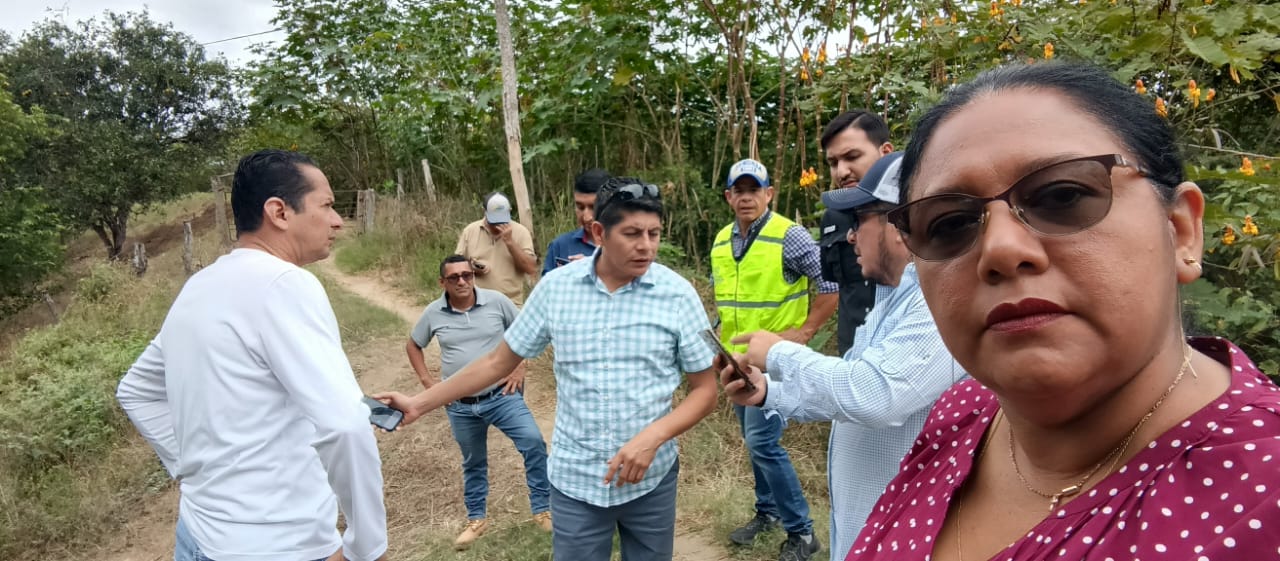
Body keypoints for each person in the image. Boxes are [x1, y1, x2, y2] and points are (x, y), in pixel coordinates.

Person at [846, 62, 1280, 560]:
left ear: (1181, 231)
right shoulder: (963, 414)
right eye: (948, 224)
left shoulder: (1264, 496)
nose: (1001, 249)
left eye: (1063, 195)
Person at [377, 177, 719, 561]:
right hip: (576, 482)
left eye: (654, 233)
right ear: (599, 233)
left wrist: (654, 437)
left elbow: (705, 390)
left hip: (651, 481)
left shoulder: (677, 295)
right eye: (632, 233)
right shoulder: (557, 290)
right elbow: (496, 362)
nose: (646, 246)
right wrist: (419, 403)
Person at [116, 150, 388, 561]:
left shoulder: (200, 286)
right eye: (327, 205)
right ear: (279, 212)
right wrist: (367, 548)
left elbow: (137, 390)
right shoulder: (283, 283)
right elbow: (346, 426)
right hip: (279, 545)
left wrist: (191, 470)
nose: (337, 220)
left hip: (197, 535)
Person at [723, 152, 960, 561]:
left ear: (902, 225)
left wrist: (779, 352)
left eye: (859, 221)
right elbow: (848, 385)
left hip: (901, 540)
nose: (849, 237)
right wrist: (769, 392)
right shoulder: (889, 302)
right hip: (867, 530)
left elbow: (874, 394)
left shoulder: (936, 305)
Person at [712, 158, 837, 561]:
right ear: (729, 196)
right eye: (739, 190)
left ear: (769, 194)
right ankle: (767, 513)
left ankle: (802, 533)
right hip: (736, 360)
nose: (747, 197)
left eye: (755, 190)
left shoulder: (790, 235)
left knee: (763, 442)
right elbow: (728, 299)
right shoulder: (721, 241)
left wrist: (804, 332)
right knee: (754, 443)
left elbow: (830, 285)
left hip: (774, 361)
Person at [405, 255, 551, 550]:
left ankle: (542, 510)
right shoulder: (433, 313)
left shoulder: (497, 302)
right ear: (442, 282)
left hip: (501, 396)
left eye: (467, 275)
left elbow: (525, 332)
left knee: (533, 443)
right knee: (473, 461)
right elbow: (413, 345)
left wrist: (520, 367)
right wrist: (429, 384)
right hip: (459, 405)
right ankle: (477, 520)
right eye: (454, 277)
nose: (462, 281)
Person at [819, 111, 893, 355]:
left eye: (852, 157)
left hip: (903, 353)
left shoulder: (916, 212)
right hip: (851, 352)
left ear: (885, 152)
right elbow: (838, 286)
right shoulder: (832, 219)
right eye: (833, 163)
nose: (841, 172)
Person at [456, 192, 538, 305]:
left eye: (502, 219)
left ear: (509, 211)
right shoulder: (470, 231)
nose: (498, 225)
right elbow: (456, 267)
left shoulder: (521, 232)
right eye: (494, 219)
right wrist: (473, 268)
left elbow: (531, 268)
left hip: (510, 302)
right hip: (475, 302)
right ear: (484, 211)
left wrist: (510, 242)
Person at [543, 168, 610, 274]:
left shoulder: (626, 245)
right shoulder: (560, 246)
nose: (586, 217)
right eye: (580, 207)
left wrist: (594, 268)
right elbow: (547, 283)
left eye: (593, 207)